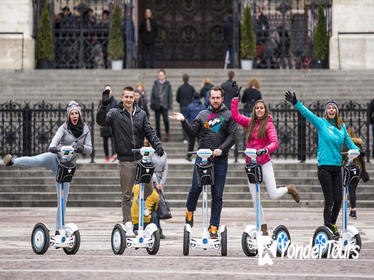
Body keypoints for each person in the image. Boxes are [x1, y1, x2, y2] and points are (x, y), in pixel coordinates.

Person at [2, 101, 92, 235]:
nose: (74, 116)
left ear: (79, 115)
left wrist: (82, 148)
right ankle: (13, 162)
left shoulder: (85, 130)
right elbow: (54, 142)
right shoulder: (63, 127)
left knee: (62, 199)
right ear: (68, 115)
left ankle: (58, 229)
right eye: (72, 113)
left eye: (76, 113)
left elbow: (90, 149)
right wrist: (54, 148)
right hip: (55, 158)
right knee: (36, 160)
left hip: (67, 166)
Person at [285, 91, 362, 237]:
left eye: (334, 108)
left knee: (339, 200)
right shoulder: (321, 123)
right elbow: (308, 115)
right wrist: (296, 103)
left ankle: (331, 224)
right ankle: (327, 227)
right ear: (326, 111)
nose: (331, 110)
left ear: (337, 111)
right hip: (324, 168)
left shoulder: (342, 127)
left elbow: (349, 142)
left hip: (337, 168)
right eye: (329, 108)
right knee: (330, 200)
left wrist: (358, 151)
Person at [169, 86, 238, 239]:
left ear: (222, 98)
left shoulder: (229, 115)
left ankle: (214, 226)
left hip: (220, 160)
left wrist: (221, 149)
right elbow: (192, 133)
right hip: (203, 158)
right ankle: (189, 210)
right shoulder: (202, 114)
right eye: (212, 98)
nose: (215, 100)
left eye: (217, 98)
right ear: (209, 98)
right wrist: (183, 121)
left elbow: (232, 136)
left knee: (217, 195)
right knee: (195, 188)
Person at [231, 84, 300, 236]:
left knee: (273, 194)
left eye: (262, 108)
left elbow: (275, 143)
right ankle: (263, 227)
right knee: (255, 199)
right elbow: (235, 116)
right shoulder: (249, 123)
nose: (259, 110)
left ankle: (289, 188)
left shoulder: (269, 125)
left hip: (264, 163)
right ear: (254, 111)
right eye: (257, 108)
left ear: (265, 110)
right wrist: (235, 98)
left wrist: (265, 149)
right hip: (251, 165)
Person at [96, 86, 164, 237]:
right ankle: (127, 224)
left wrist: (157, 145)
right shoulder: (115, 113)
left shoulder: (141, 114)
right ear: (122, 98)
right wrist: (104, 104)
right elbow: (101, 121)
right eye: (126, 97)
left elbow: (149, 131)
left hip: (140, 158)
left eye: (131, 97)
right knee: (126, 195)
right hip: (125, 160)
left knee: (149, 189)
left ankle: (143, 202)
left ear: (135, 98)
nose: (128, 100)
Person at [342, 128, 370, 219]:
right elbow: (362, 159)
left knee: (351, 189)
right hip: (358, 169)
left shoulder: (345, 144)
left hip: (349, 169)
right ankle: (352, 210)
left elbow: (342, 158)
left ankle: (353, 210)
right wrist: (364, 171)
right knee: (352, 189)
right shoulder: (358, 144)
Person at [147, 138, 168, 239]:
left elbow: (166, 169)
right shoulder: (149, 153)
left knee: (158, 205)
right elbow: (149, 168)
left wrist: (161, 183)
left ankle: (158, 228)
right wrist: (155, 182)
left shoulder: (164, 154)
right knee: (153, 206)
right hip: (151, 180)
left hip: (159, 181)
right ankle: (156, 228)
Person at [150, 69, 173, 141]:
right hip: (157, 105)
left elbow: (170, 95)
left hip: (165, 105)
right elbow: (152, 95)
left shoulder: (168, 84)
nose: (161, 76)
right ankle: (158, 135)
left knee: (166, 120)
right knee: (157, 121)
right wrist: (151, 104)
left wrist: (170, 105)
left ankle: (167, 133)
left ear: (164, 76)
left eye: (162, 75)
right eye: (159, 75)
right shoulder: (155, 84)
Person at [185, 92, 205, 161]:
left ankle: (189, 156)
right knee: (201, 143)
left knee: (191, 142)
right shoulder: (203, 107)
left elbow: (186, 117)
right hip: (201, 127)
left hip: (192, 127)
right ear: (199, 98)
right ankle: (201, 156)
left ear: (193, 98)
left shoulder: (190, 106)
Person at [99, 85, 117, 162]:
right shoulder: (101, 101)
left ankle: (113, 154)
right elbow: (99, 112)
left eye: (109, 90)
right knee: (105, 141)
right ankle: (107, 155)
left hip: (113, 124)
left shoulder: (115, 101)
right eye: (106, 90)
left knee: (113, 140)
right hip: (105, 124)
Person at [176, 74, 196, 143]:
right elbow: (194, 96)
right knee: (190, 121)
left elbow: (177, 98)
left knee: (183, 122)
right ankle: (190, 136)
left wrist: (181, 102)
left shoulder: (180, 88)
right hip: (190, 106)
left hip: (183, 106)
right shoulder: (191, 88)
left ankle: (185, 138)